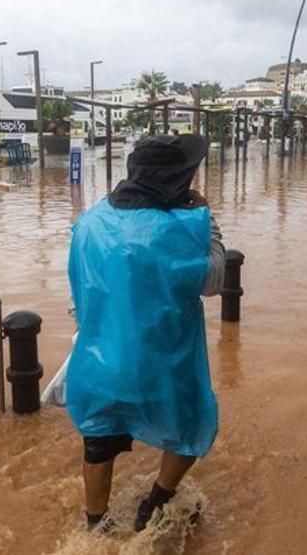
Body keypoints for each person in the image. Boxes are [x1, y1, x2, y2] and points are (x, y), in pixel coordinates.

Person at [65, 134, 225, 533]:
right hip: (163, 365)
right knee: (190, 427)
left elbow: (80, 290)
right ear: (178, 180)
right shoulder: (180, 230)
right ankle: (156, 501)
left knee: (99, 443)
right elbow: (213, 281)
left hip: (98, 363)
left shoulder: (89, 221)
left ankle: (95, 524)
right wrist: (210, 224)